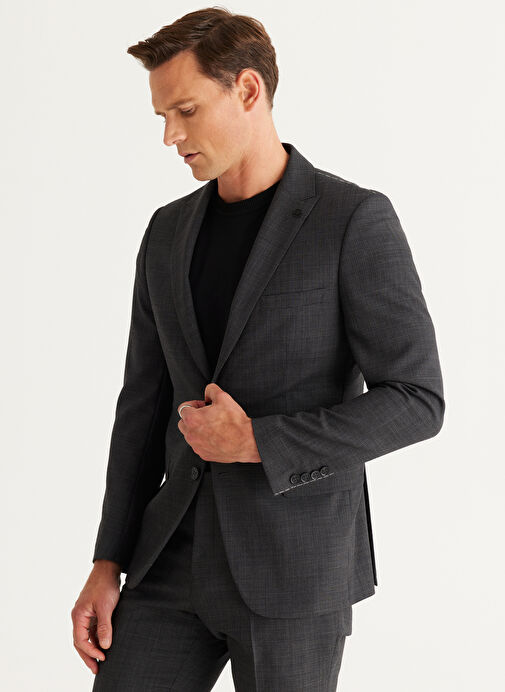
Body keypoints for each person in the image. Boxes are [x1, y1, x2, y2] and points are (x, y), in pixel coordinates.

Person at [71, 7, 445, 691]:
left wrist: (258, 443)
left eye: (185, 110)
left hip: (293, 568)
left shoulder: (351, 220)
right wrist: (107, 560)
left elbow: (417, 401)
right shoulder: (166, 232)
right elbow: (142, 405)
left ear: (247, 89)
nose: (169, 135)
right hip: (167, 559)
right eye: (162, 115)